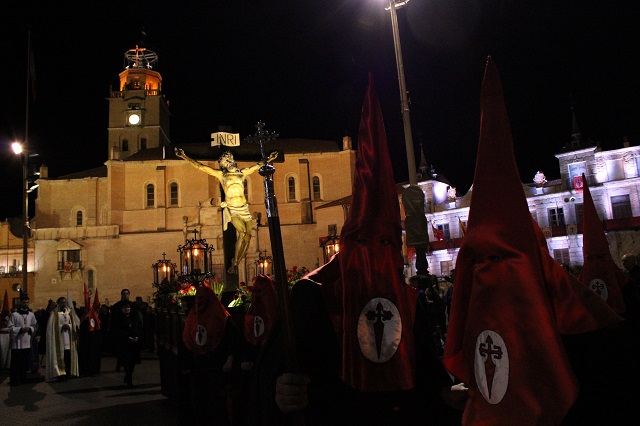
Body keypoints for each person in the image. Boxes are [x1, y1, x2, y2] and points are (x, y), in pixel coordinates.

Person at [252, 75, 467, 425]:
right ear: (349, 241)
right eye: (364, 241)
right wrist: (281, 389)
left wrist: (445, 395)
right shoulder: (313, 295)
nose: (375, 254)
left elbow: (425, 378)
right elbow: (276, 370)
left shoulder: (407, 301)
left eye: (385, 243)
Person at [175, 147, 278, 272]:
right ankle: (235, 263)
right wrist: (184, 156)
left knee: (248, 236)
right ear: (223, 164)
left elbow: (257, 165)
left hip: (244, 208)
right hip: (233, 209)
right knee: (242, 233)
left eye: (229, 160)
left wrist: (269, 159)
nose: (229, 163)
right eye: (226, 161)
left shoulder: (242, 173)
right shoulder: (222, 175)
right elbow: (201, 167)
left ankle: (236, 261)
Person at [45, 296, 80, 381]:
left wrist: (69, 326)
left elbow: (73, 324)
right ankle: (60, 374)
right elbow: (51, 327)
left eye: (65, 302)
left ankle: (68, 373)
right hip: (59, 339)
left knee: (68, 357)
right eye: (62, 302)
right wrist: (61, 326)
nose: (64, 304)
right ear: (58, 304)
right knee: (61, 357)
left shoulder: (69, 313)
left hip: (68, 338)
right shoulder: (54, 314)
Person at [7, 295, 38, 386]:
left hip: (27, 342)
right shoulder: (14, 315)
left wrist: (30, 329)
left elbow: (35, 325)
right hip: (17, 343)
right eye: (24, 302)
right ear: (20, 303)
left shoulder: (31, 315)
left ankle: (23, 379)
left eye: (27, 302)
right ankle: (15, 380)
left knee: (24, 362)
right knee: (15, 363)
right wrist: (20, 329)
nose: (26, 304)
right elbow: (10, 327)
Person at [115, 302, 142, 387]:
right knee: (127, 362)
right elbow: (118, 330)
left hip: (134, 343)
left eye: (128, 308)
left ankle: (128, 376)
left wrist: (137, 336)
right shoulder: (119, 318)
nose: (127, 309)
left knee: (132, 362)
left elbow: (139, 327)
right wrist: (127, 337)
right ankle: (129, 378)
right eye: (125, 308)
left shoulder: (134, 317)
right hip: (125, 344)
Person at [110, 288, 135, 371]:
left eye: (127, 293)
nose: (125, 295)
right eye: (124, 293)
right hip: (120, 331)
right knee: (121, 350)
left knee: (129, 351)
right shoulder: (117, 306)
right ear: (121, 295)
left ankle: (127, 366)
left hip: (130, 331)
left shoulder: (132, 305)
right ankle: (119, 364)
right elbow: (114, 320)